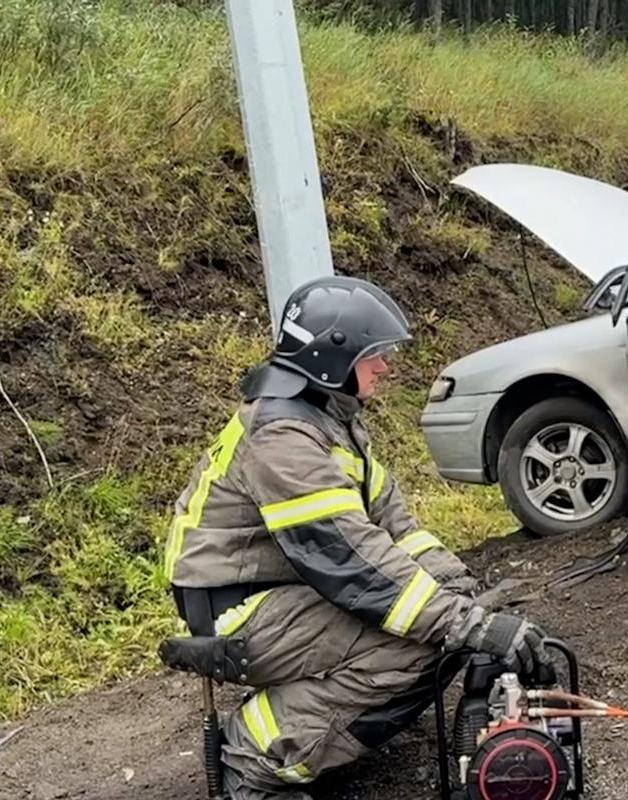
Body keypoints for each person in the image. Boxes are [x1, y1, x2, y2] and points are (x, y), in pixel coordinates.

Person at [162, 276, 552, 800]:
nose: (385, 366)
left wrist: (461, 592)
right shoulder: (282, 436)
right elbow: (351, 561)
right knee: (419, 643)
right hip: (237, 608)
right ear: (333, 358)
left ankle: (305, 721)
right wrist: (464, 623)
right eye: (374, 354)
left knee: (444, 623)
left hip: (286, 586)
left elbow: (395, 530)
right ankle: (255, 751)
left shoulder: (327, 418)